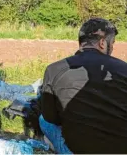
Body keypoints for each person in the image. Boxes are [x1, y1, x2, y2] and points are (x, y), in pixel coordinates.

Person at [39, 18, 127, 154]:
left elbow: (50, 117)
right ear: (102, 43)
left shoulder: (54, 69)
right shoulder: (124, 69)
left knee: (43, 120)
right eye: (113, 43)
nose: (113, 48)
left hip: (77, 149)